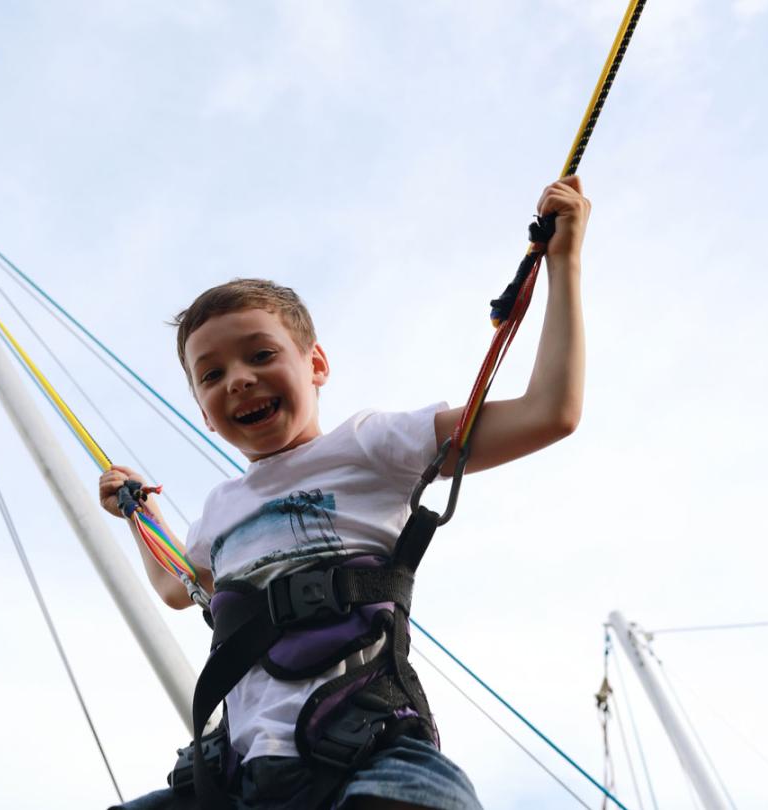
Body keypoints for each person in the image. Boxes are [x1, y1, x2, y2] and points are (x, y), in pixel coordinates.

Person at [98, 176, 590, 809]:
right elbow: (176, 586)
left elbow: (549, 412)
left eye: (261, 355)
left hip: (368, 746)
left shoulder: (370, 444)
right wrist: (143, 512)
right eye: (213, 374)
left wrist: (564, 261)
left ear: (316, 365)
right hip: (239, 775)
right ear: (201, 407)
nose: (240, 381)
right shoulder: (222, 508)